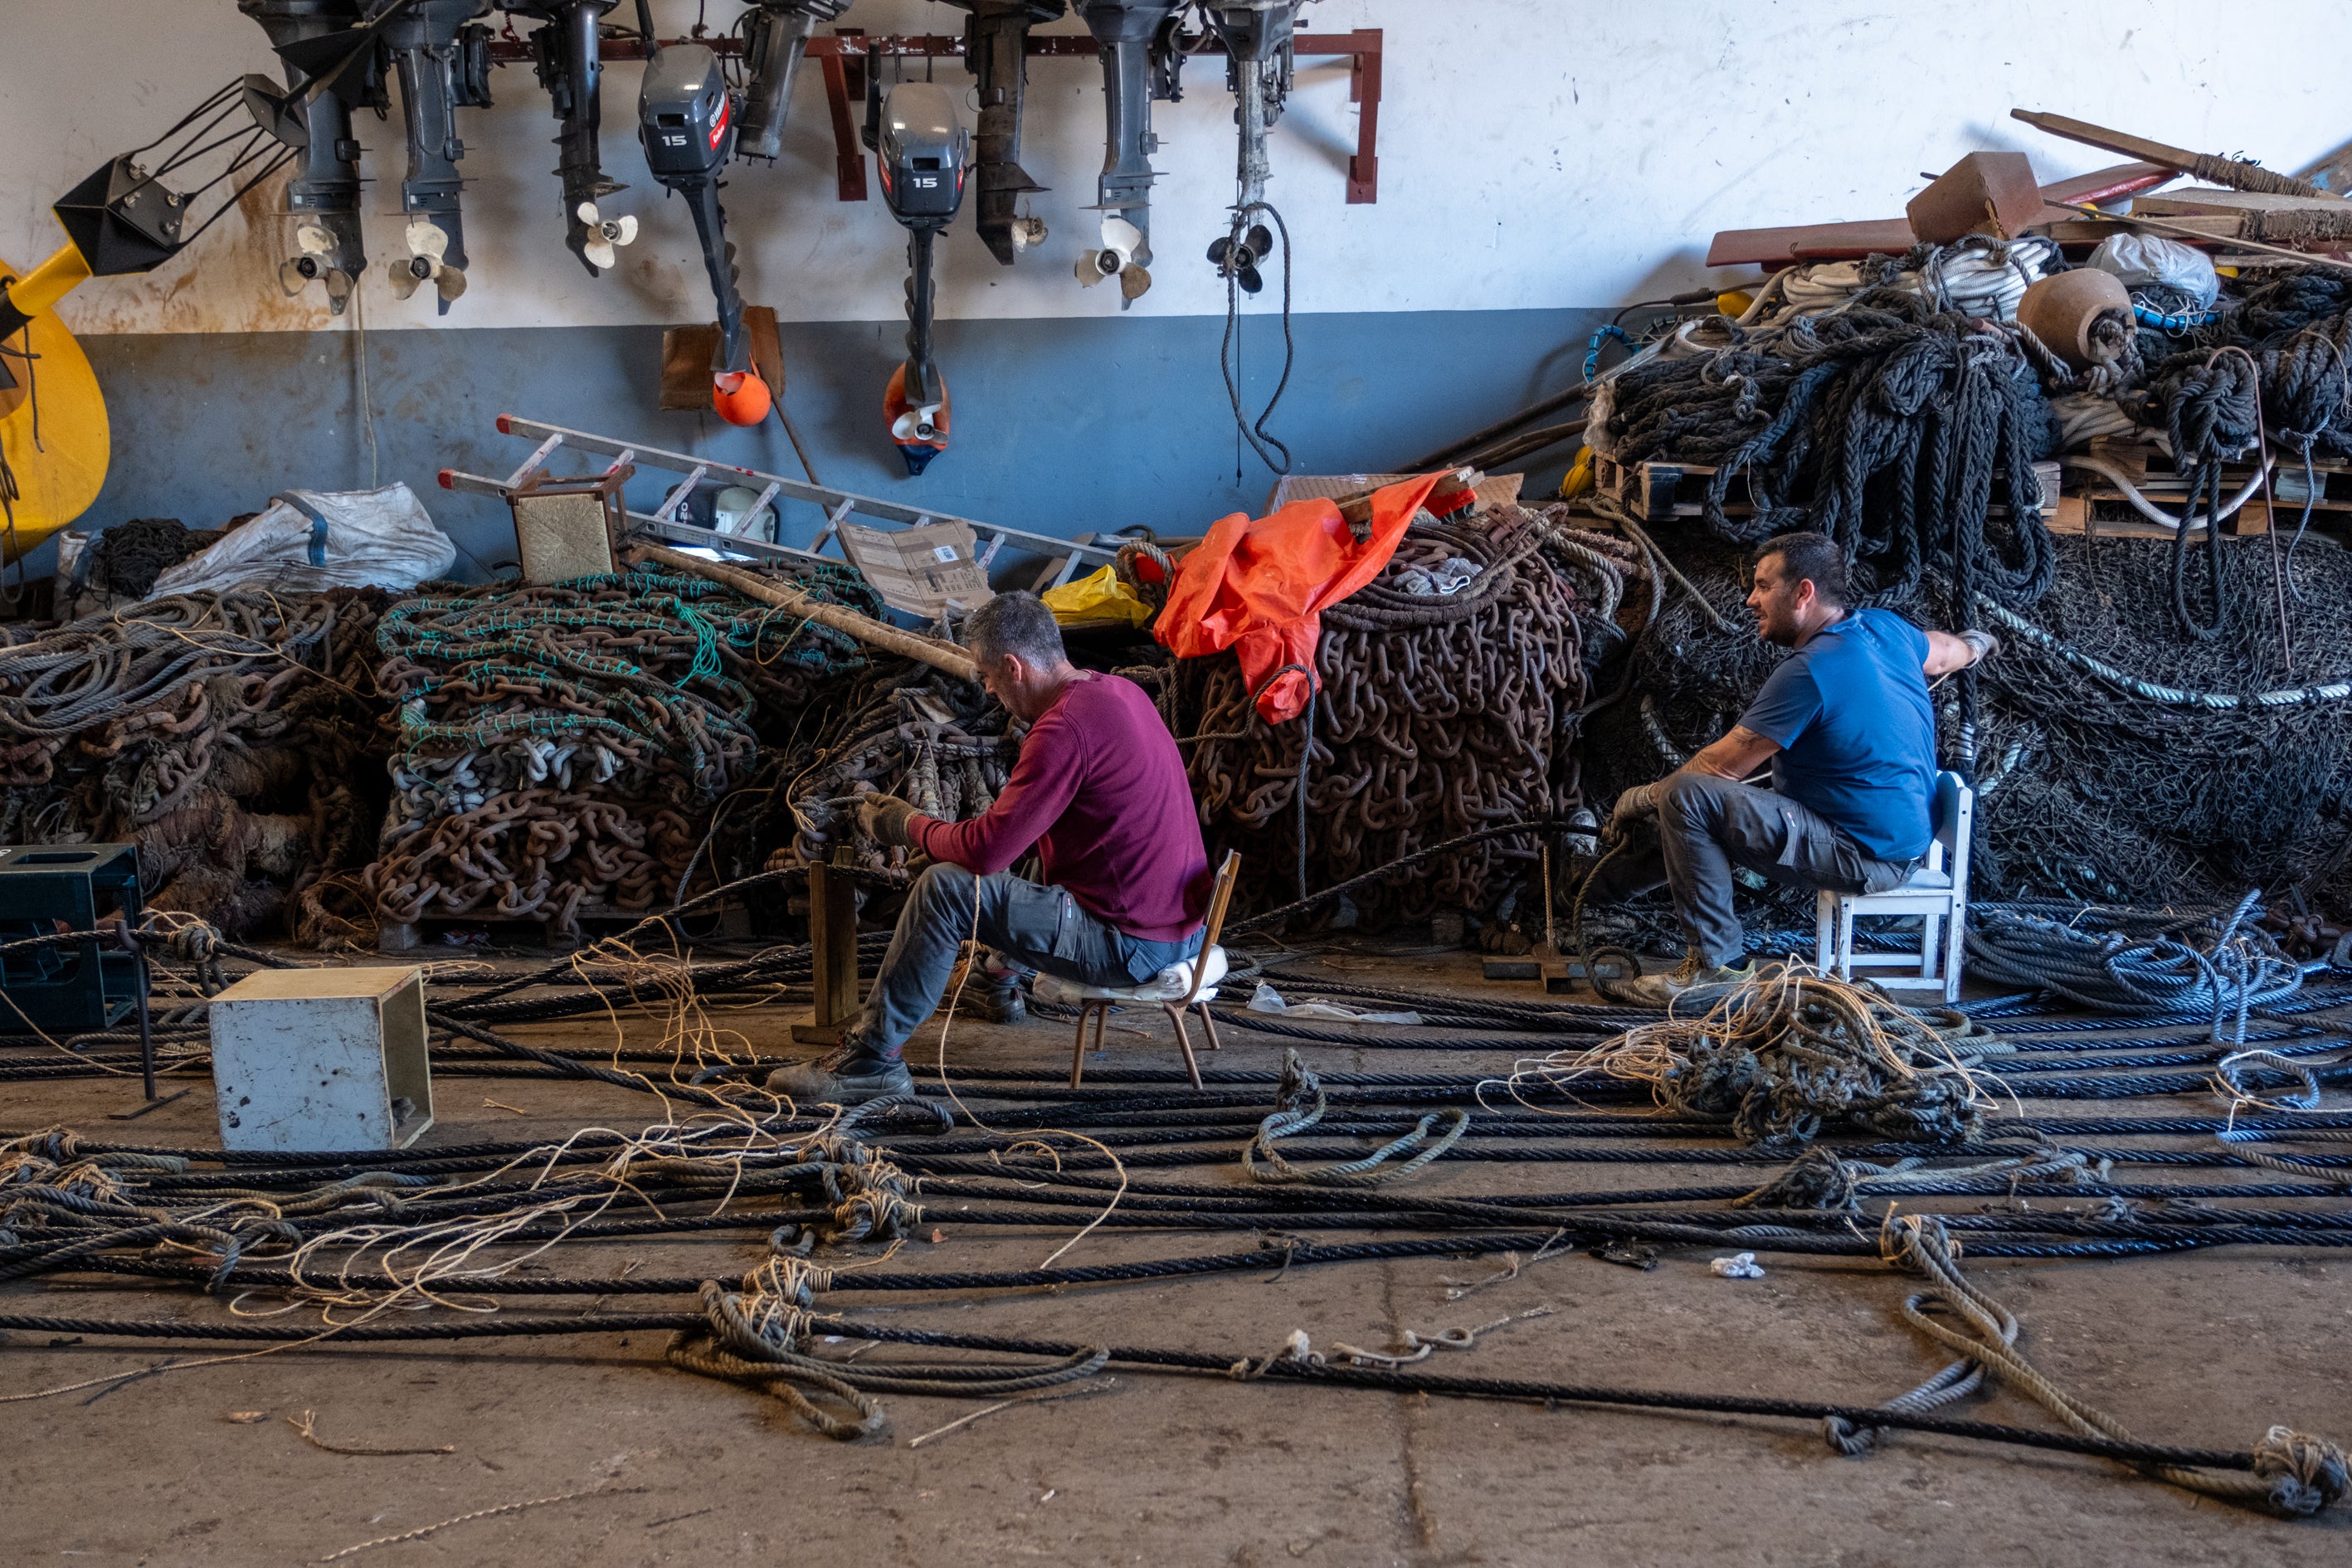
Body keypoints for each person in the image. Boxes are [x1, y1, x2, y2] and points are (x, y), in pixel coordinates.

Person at [769, 590, 1214, 1103]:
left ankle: (869, 1063)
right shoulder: (1117, 694)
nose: (986, 688)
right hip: (1179, 931)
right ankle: (996, 978)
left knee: (945, 889)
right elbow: (1020, 842)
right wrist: (948, 841)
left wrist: (909, 825)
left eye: (987, 675)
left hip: (1132, 948)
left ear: (1014, 666)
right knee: (1030, 849)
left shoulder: (1062, 731)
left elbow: (985, 854)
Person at [1596, 530, 1996, 1006]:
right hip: (1903, 845)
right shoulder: (1887, 630)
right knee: (1692, 810)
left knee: (1687, 796)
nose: (1750, 600)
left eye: (1764, 586)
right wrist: (1978, 644)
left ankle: (1715, 968)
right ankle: (1606, 895)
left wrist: (1638, 798)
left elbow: (1718, 771)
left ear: (1803, 593)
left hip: (1862, 856)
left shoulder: (1809, 670)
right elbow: (1947, 652)